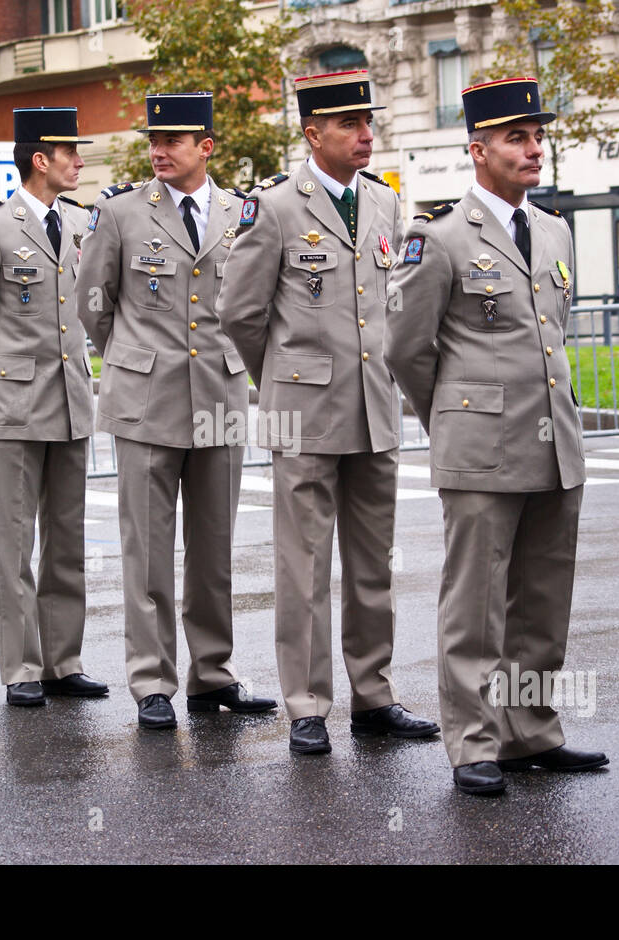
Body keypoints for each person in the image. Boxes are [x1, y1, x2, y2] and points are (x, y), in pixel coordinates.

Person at [385, 78, 607, 794]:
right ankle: (475, 742)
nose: (534, 148)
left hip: (553, 442)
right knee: (476, 605)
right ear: (477, 149)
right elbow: (407, 350)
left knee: (542, 600)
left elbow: (552, 335)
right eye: (517, 137)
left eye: (538, 136)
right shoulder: (439, 237)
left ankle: (530, 730)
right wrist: (452, 416)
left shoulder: (553, 230)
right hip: (481, 448)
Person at [217, 71, 438, 755]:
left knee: (373, 564)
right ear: (314, 134)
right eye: (349, 124)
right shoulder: (276, 207)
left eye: (367, 122)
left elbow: (390, 308)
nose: (365, 134)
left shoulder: (382, 203)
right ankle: (308, 705)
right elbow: (241, 313)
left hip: (374, 407)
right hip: (304, 412)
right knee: (305, 566)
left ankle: (374, 696)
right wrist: (282, 378)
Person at [76, 92, 275, 728]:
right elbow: (93, 302)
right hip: (145, 402)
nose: (159, 151)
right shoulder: (120, 212)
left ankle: (212, 675)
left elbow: (251, 302)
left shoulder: (244, 213)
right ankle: (152, 681)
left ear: (206, 147)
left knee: (215, 550)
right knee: (148, 552)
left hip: (218, 394)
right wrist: (133, 360)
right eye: (153, 141)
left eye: (174, 141)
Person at [0, 107, 107, 707]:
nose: (80, 161)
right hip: (16, 405)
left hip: (70, 403)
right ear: (40, 159)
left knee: (66, 539)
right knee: (14, 544)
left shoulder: (80, 223)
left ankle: (63, 661)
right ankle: (20, 667)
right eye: (70, 151)